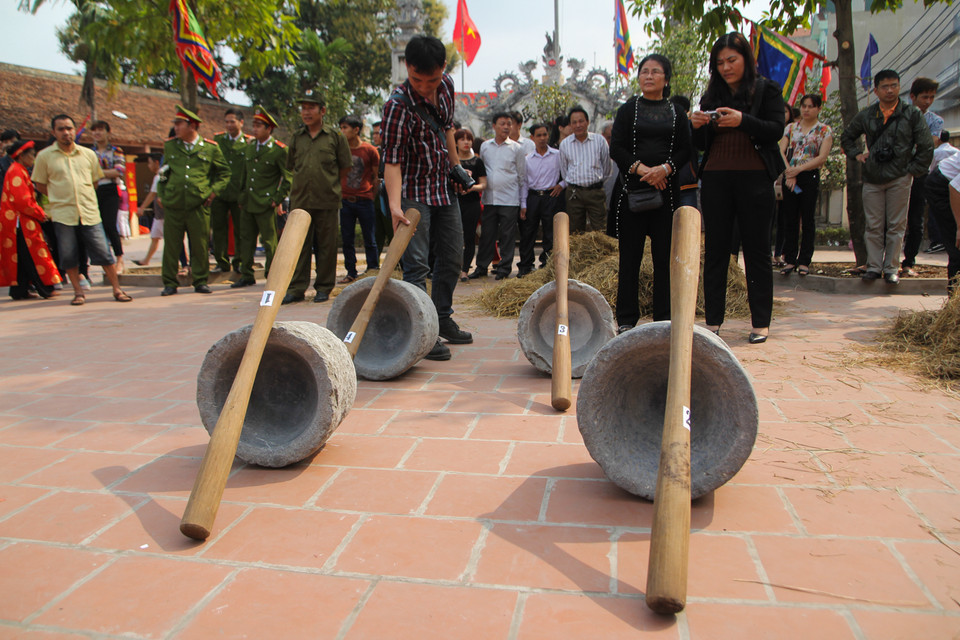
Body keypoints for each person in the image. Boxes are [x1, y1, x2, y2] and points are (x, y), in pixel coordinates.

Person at [381, 34, 473, 361]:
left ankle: (442, 316)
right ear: (407, 68)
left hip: (443, 188)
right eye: (417, 79)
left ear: (443, 69)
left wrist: (456, 166)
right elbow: (391, 160)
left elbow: (446, 127)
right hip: (413, 192)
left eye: (431, 79)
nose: (424, 86)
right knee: (416, 265)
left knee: (452, 257)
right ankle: (425, 329)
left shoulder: (446, 86)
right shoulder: (396, 106)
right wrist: (394, 205)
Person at [690, 32, 785, 343]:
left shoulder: (766, 90)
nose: (726, 67)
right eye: (719, 62)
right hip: (716, 178)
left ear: (746, 59)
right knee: (716, 250)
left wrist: (743, 120)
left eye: (732, 60)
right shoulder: (711, 97)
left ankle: (760, 323)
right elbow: (702, 145)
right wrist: (697, 127)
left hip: (755, 178)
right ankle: (713, 321)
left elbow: (774, 130)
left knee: (757, 250)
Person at [610, 53, 692, 331]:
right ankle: (626, 320)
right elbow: (617, 147)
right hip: (632, 194)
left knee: (664, 261)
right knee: (629, 259)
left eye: (655, 71)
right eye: (644, 71)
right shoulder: (627, 109)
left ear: (666, 79)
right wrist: (644, 170)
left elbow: (686, 149)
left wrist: (665, 170)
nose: (648, 76)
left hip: (666, 197)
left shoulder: (676, 112)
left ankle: (664, 320)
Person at [840, 69, 934, 284]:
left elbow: (926, 146)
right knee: (873, 225)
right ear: (876, 90)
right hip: (872, 177)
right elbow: (847, 137)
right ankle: (873, 267)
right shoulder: (867, 114)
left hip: (900, 177)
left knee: (896, 225)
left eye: (894, 85)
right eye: (885, 86)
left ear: (900, 87)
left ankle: (891, 268)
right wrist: (857, 155)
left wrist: (913, 169)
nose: (890, 90)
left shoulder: (912, 114)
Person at [32, 114, 132, 305]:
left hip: (89, 212)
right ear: (54, 132)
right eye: (61, 129)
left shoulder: (88, 154)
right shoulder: (44, 157)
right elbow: (40, 185)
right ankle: (78, 292)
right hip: (63, 213)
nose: (66, 133)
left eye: (69, 128)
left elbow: (95, 181)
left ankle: (117, 289)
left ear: (74, 130)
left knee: (104, 252)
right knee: (68, 254)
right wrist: (60, 196)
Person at [157, 105, 231, 296]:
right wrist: (162, 194)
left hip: (199, 204)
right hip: (174, 203)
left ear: (192, 126)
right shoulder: (170, 146)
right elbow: (163, 173)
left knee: (199, 245)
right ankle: (170, 283)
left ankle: (200, 280)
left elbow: (224, 173)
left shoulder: (210, 148)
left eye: (179, 124)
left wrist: (213, 192)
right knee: (172, 245)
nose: (175, 127)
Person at [232, 105, 291, 288]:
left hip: (266, 203)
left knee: (269, 241)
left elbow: (288, 177)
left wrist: (277, 198)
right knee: (246, 239)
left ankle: (271, 275)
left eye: (259, 126)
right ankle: (246, 274)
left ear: (269, 129)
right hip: (249, 202)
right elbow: (244, 174)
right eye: (254, 125)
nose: (254, 129)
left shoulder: (279, 150)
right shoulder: (249, 148)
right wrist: (241, 197)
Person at [0, 140, 62, 299]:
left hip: (17, 222)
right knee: (33, 255)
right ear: (21, 155)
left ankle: (19, 291)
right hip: (21, 222)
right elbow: (23, 201)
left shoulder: (17, 170)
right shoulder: (17, 171)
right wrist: (40, 213)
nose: (33, 158)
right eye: (32, 155)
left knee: (21, 257)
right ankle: (45, 289)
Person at [779, 94, 833, 277]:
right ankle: (790, 259)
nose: (806, 110)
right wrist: (789, 172)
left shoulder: (824, 130)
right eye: (804, 106)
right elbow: (781, 150)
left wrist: (799, 170)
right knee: (790, 218)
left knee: (808, 219)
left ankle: (804, 261)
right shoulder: (791, 128)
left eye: (811, 106)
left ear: (818, 109)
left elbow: (821, 157)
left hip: (809, 175)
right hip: (790, 176)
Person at [470, 111, 526, 280]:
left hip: (510, 199)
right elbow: (482, 170)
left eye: (509, 124)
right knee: (487, 234)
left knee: (508, 236)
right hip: (489, 199)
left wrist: (523, 203)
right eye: (502, 124)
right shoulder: (485, 146)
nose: (506, 127)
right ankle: (481, 267)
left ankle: (504, 268)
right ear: (494, 126)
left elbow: (522, 177)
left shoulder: (517, 148)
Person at [901, 78, 943, 274]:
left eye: (931, 97)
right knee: (892, 219)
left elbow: (930, 144)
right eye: (924, 96)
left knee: (915, 219)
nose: (928, 101)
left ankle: (909, 261)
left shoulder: (935, 121)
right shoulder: (899, 114)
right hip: (896, 172)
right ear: (913, 96)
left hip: (920, 173)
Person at [337, 115, 381, 283]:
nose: (342, 131)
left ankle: (372, 270)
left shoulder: (370, 150)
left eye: (345, 128)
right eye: (341, 128)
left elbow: (376, 177)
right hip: (345, 200)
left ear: (356, 130)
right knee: (347, 238)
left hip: (365, 199)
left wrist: (370, 194)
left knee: (370, 237)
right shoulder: (340, 150)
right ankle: (351, 272)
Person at [209, 109, 251, 275]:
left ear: (241, 122)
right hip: (220, 192)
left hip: (238, 192)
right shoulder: (218, 140)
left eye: (232, 121)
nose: (229, 125)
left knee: (241, 230)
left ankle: (239, 261)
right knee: (219, 228)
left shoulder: (248, 142)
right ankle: (221, 261)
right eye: (226, 121)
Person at [519, 122, 564, 275]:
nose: (542, 138)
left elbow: (567, 173)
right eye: (539, 135)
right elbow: (524, 182)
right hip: (533, 197)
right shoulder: (528, 159)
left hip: (551, 197)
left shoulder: (557, 155)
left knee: (550, 233)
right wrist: (523, 204)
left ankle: (547, 265)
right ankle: (525, 266)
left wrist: (561, 185)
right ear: (532, 137)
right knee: (528, 232)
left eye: (545, 134)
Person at [559, 105, 611, 233]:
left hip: (595, 192)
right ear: (570, 125)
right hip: (574, 193)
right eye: (574, 122)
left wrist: (596, 184)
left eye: (581, 121)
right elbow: (564, 171)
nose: (578, 125)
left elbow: (607, 168)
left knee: (600, 229)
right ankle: (576, 254)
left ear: (587, 122)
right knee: (575, 231)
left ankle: (600, 254)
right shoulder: (565, 144)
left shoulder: (599, 141)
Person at [89, 120, 126, 274]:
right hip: (93, 190)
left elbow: (119, 171)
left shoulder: (116, 150)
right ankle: (107, 259)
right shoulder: (89, 152)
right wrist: (105, 172)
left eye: (101, 130)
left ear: (108, 132)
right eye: (94, 130)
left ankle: (119, 259)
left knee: (110, 225)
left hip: (110, 190)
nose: (97, 133)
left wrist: (98, 173)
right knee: (98, 227)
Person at [924, 145, 960, 294]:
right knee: (957, 244)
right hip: (942, 187)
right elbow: (955, 188)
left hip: (951, 183)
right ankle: (954, 303)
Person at [453, 128, 486, 282]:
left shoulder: (477, 161)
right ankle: (454, 268)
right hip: (454, 202)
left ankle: (465, 270)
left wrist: (470, 187)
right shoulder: (452, 161)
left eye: (469, 139)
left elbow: (484, 184)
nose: (466, 142)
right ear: (456, 142)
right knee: (453, 237)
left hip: (471, 203)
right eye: (462, 139)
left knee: (469, 237)